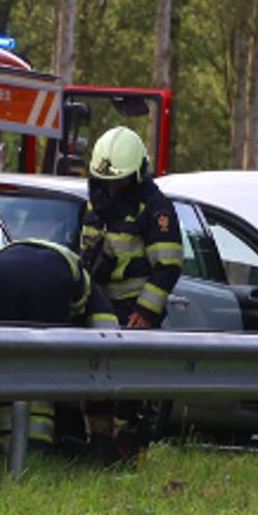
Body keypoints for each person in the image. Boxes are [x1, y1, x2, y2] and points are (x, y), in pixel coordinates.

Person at [80, 125, 184, 450]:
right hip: (99, 304)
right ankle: (97, 443)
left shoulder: (155, 208)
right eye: (107, 180)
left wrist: (145, 311)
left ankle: (125, 446)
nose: (114, 186)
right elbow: (85, 253)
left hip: (133, 309)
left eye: (119, 180)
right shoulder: (97, 202)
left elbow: (168, 265)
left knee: (127, 386)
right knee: (95, 380)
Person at [0, 238, 116, 454]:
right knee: (43, 370)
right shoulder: (90, 292)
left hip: (0, 270)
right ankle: (36, 446)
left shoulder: (53, 260)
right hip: (51, 278)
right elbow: (107, 339)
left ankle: (6, 445)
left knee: (5, 364)